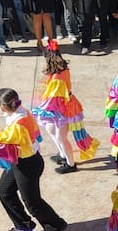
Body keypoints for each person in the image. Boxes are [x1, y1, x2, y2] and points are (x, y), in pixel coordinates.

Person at [0, 88, 69, 231]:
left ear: (3, 106)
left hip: (27, 165)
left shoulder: (19, 123)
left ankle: (56, 225)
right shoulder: (21, 113)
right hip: (21, 161)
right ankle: (24, 226)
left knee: (32, 202)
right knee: (4, 191)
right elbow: (8, 136)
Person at [30, 43, 98, 174]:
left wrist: (40, 109)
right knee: (51, 130)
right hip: (62, 106)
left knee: (61, 137)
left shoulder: (56, 79)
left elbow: (53, 99)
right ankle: (62, 155)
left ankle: (71, 164)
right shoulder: (63, 68)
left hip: (63, 109)